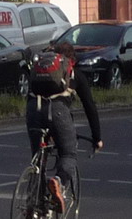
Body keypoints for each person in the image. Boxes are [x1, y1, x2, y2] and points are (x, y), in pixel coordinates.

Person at [25, 41, 102, 210]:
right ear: (71, 59)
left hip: (33, 109)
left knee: (37, 159)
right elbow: (89, 106)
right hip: (58, 112)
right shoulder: (75, 74)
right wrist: (97, 137)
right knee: (68, 153)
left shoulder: (41, 70)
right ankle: (58, 182)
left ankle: (31, 205)